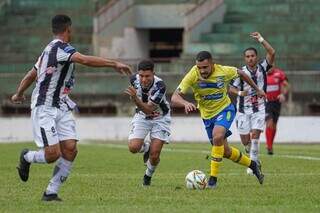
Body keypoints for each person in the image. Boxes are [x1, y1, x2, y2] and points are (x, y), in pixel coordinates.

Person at [11, 14, 131, 201]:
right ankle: (27, 157)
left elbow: (31, 74)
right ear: (68, 29)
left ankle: (51, 192)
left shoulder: (48, 51)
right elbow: (84, 60)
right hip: (45, 108)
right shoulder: (60, 48)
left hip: (62, 106)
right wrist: (113, 63)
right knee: (52, 155)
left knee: (70, 149)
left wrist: (19, 93)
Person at [171, 51, 265, 189]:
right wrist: (185, 103)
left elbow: (242, 73)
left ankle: (213, 180)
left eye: (205, 67)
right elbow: (174, 97)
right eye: (199, 67)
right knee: (225, 151)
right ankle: (253, 165)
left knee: (217, 136)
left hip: (225, 109)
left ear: (212, 64)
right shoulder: (193, 73)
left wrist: (256, 89)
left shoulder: (224, 71)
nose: (202, 71)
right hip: (207, 116)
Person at [229, 32, 275, 174]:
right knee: (245, 141)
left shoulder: (262, 68)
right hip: (243, 109)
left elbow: (272, 52)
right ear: (245, 58)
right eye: (247, 57)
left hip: (259, 108)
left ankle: (253, 163)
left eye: (252, 56)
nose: (250, 58)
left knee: (255, 135)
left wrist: (261, 39)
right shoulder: (241, 72)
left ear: (257, 57)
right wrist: (239, 93)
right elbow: (230, 87)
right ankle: (251, 153)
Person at [124, 60, 171, 186]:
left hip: (160, 118)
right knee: (133, 148)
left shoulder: (160, 86)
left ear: (153, 73)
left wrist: (135, 98)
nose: (144, 79)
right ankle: (146, 148)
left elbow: (149, 109)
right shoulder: (134, 79)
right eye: (141, 76)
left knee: (155, 155)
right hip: (142, 116)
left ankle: (147, 177)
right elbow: (130, 74)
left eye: (147, 76)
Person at [265, 66, 289, 155]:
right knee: (269, 122)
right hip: (266, 102)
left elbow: (286, 85)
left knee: (274, 125)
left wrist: (283, 94)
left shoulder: (279, 74)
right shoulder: (261, 75)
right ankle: (269, 146)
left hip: (276, 102)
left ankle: (270, 145)